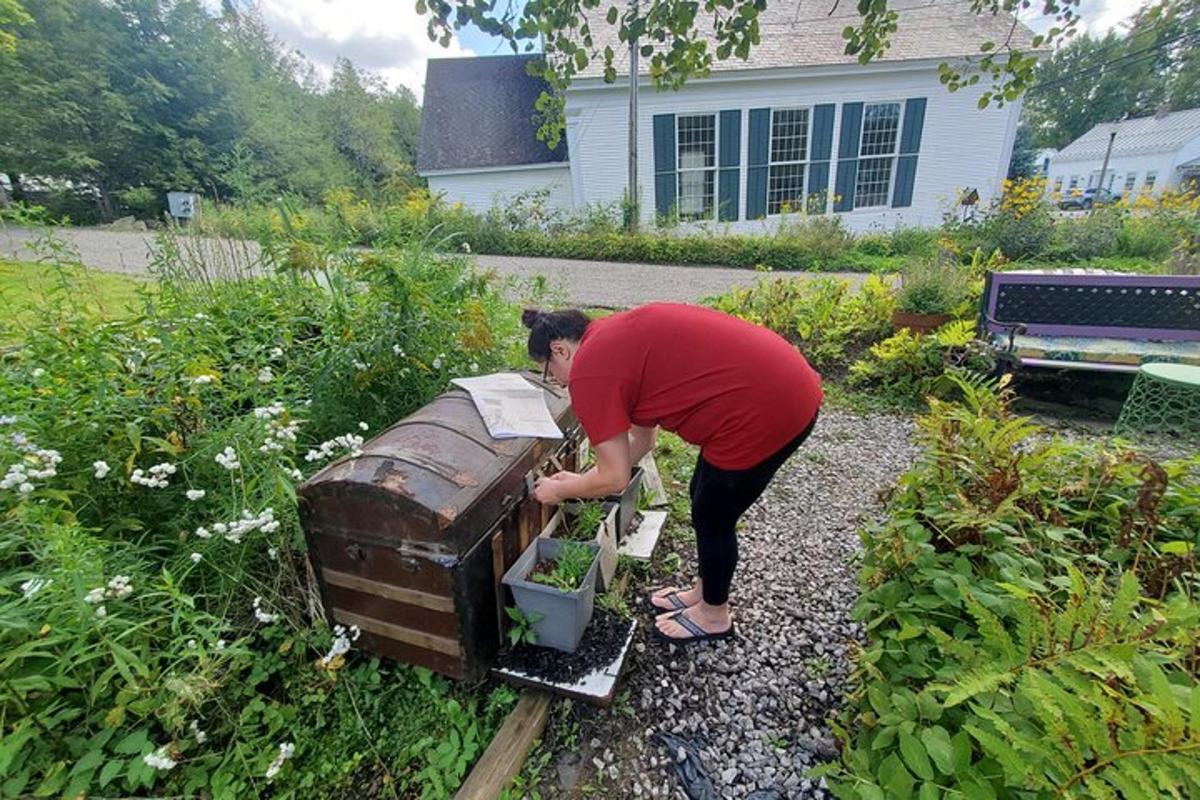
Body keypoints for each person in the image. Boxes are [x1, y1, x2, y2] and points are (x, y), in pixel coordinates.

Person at [525, 303, 822, 643]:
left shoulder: (589, 370)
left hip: (767, 407)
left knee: (713, 515)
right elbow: (643, 441)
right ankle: (705, 591)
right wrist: (583, 479)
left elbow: (616, 479)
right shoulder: (613, 336)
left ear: (559, 350)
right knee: (703, 493)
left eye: (549, 372)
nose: (560, 383)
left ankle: (714, 616)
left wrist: (561, 490)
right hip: (783, 383)